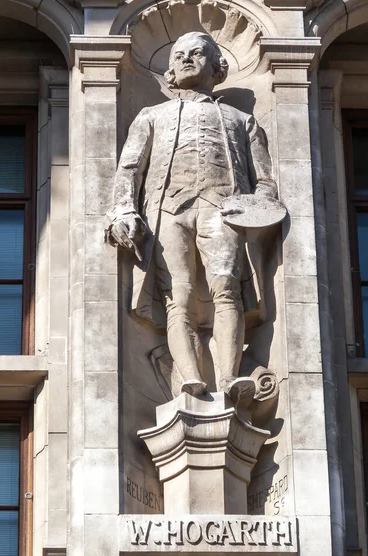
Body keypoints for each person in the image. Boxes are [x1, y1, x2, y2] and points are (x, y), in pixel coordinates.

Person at [106, 31, 278, 402]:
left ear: (217, 67)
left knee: (227, 288)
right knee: (177, 296)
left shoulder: (241, 120)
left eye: (197, 53)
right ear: (169, 70)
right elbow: (129, 170)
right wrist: (124, 209)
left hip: (224, 210)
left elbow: (264, 182)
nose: (186, 59)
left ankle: (230, 377)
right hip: (168, 210)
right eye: (179, 55)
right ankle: (189, 378)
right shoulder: (151, 116)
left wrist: (257, 210)